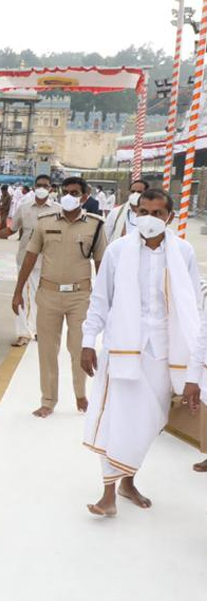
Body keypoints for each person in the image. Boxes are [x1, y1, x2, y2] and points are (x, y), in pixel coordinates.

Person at [82, 189, 201, 516]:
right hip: (122, 347)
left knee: (149, 423)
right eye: (144, 211)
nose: (149, 219)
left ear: (170, 218)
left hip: (164, 354)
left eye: (157, 213)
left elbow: (194, 307)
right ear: (135, 212)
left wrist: (196, 367)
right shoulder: (119, 251)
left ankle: (127, 480)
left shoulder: (184, 253)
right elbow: (101, 299)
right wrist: (87, 340)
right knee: (116, 420)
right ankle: (108, 493)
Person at [12, 176, 106, 418]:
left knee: (78, 348)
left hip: (80, 296)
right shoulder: (45, 223)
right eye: (65, 191)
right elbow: (30, 257)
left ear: (85, 197)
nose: (68, 196)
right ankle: (48, 400)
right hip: (49, 294)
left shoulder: (95, 225)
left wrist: (106, 300)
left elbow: (101, 264)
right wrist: (18, 291)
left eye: (74, 193)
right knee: (47, 350)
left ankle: (80, 394)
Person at [0, 174, 56, 347]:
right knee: (24, 295)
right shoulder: (24, 208)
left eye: (45, 186)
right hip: (25, 259)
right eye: (38, 185)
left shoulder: (58, 210)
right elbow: (11, 230)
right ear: (33, 188)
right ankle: (24, 333)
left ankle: (41, 330)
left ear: (51, 189)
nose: (41, 188)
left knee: (44, 298)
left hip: (49, 261)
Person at [104, 177, 150, 243]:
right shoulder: (116, 212)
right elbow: (106, 236)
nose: (135, 194)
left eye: (139, 192)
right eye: (133, 191)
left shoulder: (152, 214)